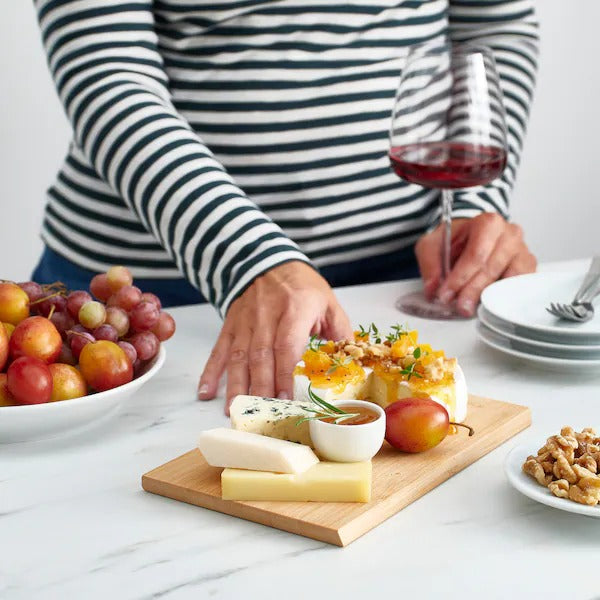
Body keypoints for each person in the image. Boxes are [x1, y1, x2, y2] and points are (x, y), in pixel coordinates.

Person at [32, 0, 538, 413]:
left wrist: (473, 204)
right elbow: (108, 75)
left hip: (406, 285)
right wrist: (249, 257)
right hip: (159, 301)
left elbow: (496, 28)